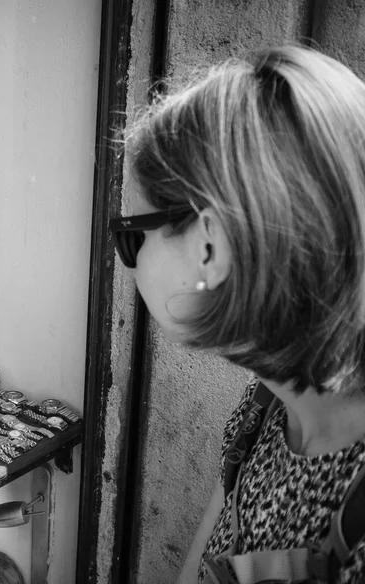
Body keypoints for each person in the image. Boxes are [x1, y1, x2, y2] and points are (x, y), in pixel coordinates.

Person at [110, 45, 365, 583]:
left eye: (131, 236)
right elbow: (216, 541)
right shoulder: (272, 397)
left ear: (210, 246)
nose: (126, 260)